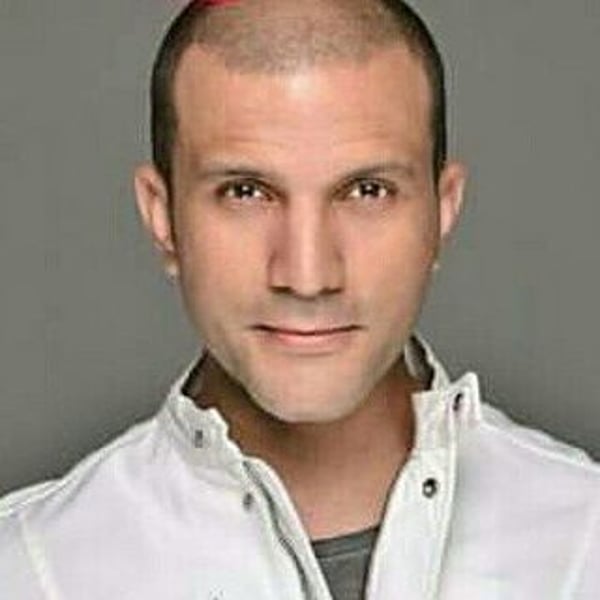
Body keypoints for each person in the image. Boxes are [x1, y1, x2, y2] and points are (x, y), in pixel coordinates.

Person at [1, 0, 598, 597]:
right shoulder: (30, 569)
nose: (307, 276)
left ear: (442, 213)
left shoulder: (585, 542)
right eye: (245, 192)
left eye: (367, 191)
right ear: (163, 218)